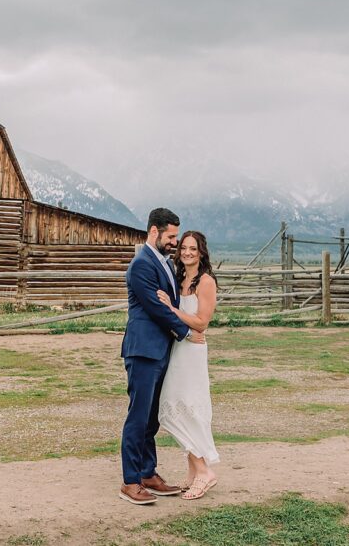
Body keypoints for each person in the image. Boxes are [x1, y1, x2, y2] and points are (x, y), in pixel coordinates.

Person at [119, 208, 205, 505]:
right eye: (170, 236)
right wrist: (185, 332)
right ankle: (130, 481)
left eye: (176, 236)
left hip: (160, 351)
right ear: (153, 232)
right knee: (138, 416)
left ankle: (147, 472)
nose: (175, 242)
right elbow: (157, 309)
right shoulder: (141, 265)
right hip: (143, 350)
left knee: (152, 417)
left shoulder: (166, 263)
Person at [156, 230, 219, 500]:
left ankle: (205, 472)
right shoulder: (180, 278)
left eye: (193, 249)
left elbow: (202, 322)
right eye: (184, 248)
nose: (187, 253)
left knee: (188, 407)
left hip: (193, 352)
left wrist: (172, 310)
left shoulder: (206, 281)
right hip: (178, 348)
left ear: (201, 252)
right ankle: (193, 474)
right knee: (175, 408)